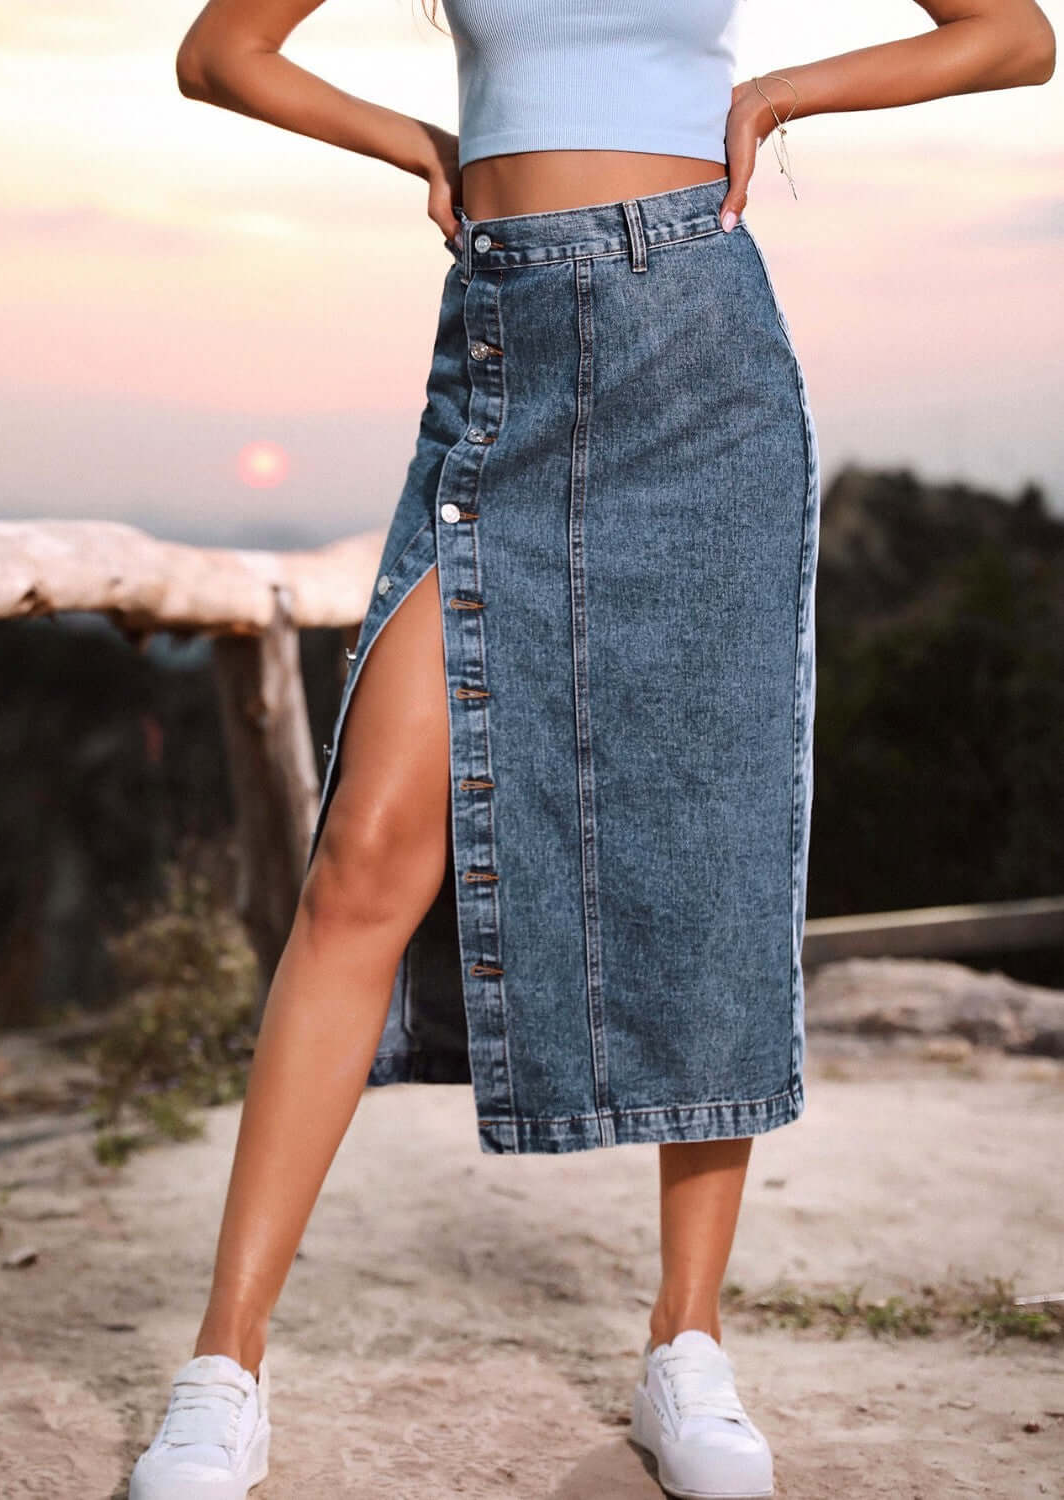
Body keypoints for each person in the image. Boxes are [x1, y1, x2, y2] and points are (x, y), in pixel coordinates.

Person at [128, 2, 1055, 1496]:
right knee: (368, 848)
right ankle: (222, 1364)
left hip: (697, 353)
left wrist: (775, 99)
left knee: (705, 843)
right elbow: (222, 52)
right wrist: (421, 145)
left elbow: (1011, 37)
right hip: (505, 353)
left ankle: (684, 1345)